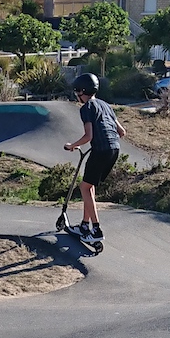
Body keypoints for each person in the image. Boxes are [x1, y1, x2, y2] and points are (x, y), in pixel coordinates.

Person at [63, 73, 120, 245]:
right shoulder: (105, 105)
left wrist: (72, 145)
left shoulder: (87, 108)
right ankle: (84, 225)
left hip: (101, 150)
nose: (77, 96)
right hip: (114, 149)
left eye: (77, 92)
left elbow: (88, 136)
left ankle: (96, 229)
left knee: (84, 187)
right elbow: (122, 132)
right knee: (89, 186)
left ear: (82, 91)